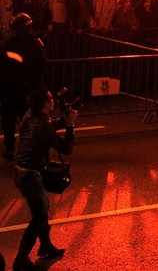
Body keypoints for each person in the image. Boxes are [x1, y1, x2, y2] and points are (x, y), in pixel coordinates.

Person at [12, 88, 76, 270]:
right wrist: (70, 125)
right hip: (31, 177)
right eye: (50, 99)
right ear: (45, 104)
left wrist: (63, 119)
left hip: (21, 173)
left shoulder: (29, 116)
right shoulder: (41, 125)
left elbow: (47, 126)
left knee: (43, 209)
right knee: (39, 217)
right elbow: (66, 148)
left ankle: (46, 246)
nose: (53, 101)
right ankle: (21, 260)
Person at [1, 14, 48, 161]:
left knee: (8, 118)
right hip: (27, 88)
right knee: (27, 119)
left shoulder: (6, 43)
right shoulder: (34, 44)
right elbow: (43, 64)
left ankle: (9, 148)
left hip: (8, 88)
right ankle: (27, 148)